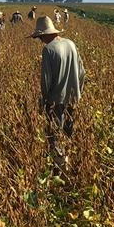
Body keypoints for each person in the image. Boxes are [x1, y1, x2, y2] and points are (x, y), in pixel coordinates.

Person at [30, 15, 85, 173]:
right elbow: (82, 73)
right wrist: (77, 92)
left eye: (40, 37)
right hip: (73, 99)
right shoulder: (71, 44)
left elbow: (46, 81)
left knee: (55, 136)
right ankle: (71, 164)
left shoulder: (48, 49)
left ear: (46, 34)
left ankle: (60, 171)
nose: (40, 40)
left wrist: (44, 101)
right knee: (69, 133)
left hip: (55, 101)